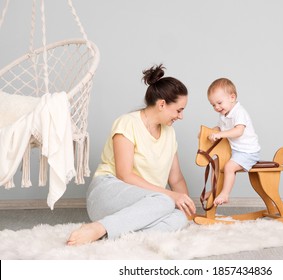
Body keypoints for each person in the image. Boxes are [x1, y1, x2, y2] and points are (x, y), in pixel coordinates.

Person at [67, 64, 196, 245]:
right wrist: (172, 197)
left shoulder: (170, 133)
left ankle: (117, 233)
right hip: (107, 193)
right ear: (161, 104)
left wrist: (186, 206)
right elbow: (124, 174)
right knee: (166, 202)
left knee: (179, 219)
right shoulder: (127, 123)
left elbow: (176, 179)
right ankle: (99, 228)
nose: (181, 116)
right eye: (179, 110)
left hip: (147, 203)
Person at [206, 78, 261, 206]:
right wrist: (208, 132)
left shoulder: (239, 112)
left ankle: (225, 194)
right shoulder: (224, 114)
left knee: (229, 167)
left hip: (248, 152)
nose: (216, 107)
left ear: (232, 97)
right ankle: (214, 190)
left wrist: (220, 134)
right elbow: (220, 128)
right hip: (235, 151)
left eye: (219, 103)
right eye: (213, 105)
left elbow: (238, 131)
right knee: (215, 163)